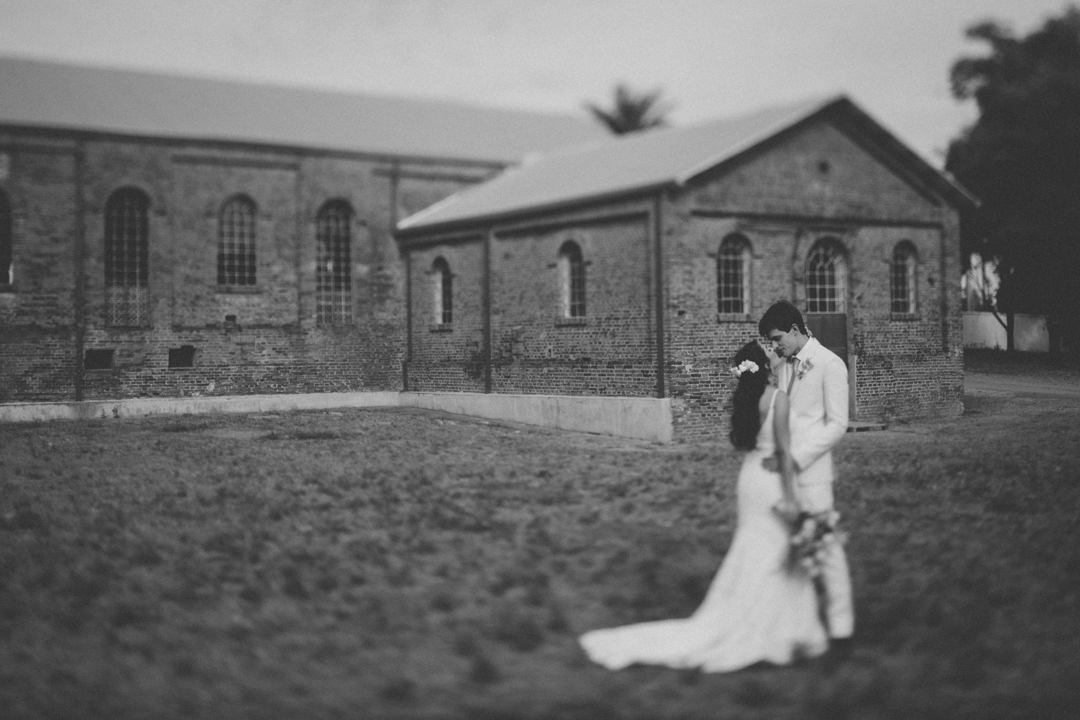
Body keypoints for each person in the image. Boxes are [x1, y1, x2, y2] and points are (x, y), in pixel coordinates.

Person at [578, 341, 829, 672]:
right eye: (769, 352)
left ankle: (767, 619)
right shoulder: (778, 399)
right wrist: (792, 499)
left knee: (757, 547)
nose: (775, 353)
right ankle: (773, 627)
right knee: (775, 551)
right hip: (772, 481)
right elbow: (784, 453)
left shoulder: (747, 398)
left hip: (751, 477)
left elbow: (753, 444)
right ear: (764, 365)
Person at [758, 300, 854, 658]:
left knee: (824, 548)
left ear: (797, 330)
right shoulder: (783, 366)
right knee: (788, 547)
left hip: (812, 474)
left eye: (778, 338)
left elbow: (837, 424)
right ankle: (795, 623)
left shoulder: (830, 364)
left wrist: (797, 459)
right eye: (771, 341)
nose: (775, 346)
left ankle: (842, 629)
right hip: (783, 473)